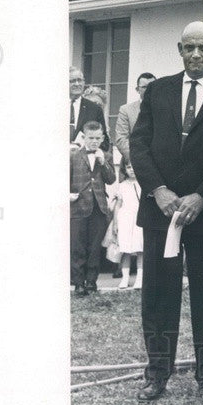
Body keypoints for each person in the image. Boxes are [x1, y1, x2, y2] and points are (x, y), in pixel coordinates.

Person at [128, 21, 203, 403]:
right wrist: (159, 190)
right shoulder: (159, 90)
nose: (196, 54)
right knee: (159, 295)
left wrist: (202, 196)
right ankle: (157, 372)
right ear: (179, 49)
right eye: (189, 48)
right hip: (160, 212)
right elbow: (140, 145)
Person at [69, 121, 116, 296]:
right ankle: (78, 283)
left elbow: (111, 180)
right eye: (91, 138)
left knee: (94, 247)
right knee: (78, 246)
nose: (94, 141)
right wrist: (68, 194)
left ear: (103, 137)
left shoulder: (107, 156)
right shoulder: (73, 155)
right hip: (78, 207)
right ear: (84, 137)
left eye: (97, 138)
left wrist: (103, 162)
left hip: (98, 207)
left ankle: (91, 282)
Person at [111, 157, 144, 289]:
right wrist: (115, 223)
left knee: (140, 249)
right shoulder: (123, 185)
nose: (132, 170)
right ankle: (125, 279)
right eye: (129, 167)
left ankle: (140, 279)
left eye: (135, 167)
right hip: (125, 219)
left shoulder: (143, 184)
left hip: (139, 219)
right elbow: (118, 205)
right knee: (125, 250)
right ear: (125, 169)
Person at [114, 72, 156, 161]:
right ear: (137, 89)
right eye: (144, 87)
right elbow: (121, 139)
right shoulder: (126, 110)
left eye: (152, 86)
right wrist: (138, 158)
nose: (149, 90)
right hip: (135, 162)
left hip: (160, 162)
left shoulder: (165, 109)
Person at [69, 67, 110, 151]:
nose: (77, 84)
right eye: (72, 81)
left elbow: (104, 142)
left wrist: (86, 146)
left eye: (79, 80)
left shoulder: (95, 109)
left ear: (84, 82)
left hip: (84, 161)